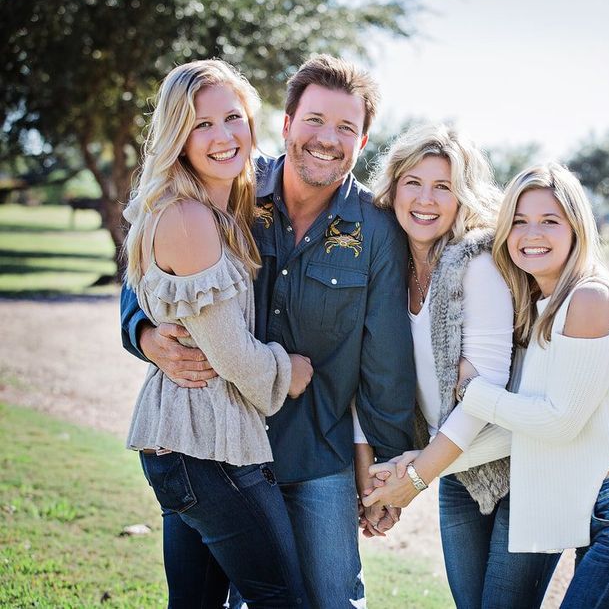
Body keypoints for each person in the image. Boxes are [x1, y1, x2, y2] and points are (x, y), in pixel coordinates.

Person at [120, 54, 416, 608]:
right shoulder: (229, 185)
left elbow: (387, 363)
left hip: (316, 452)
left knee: (331, 600)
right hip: (221, 444)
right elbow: (148, 269)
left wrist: (384, 471)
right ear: (285, 124)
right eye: (315, 121)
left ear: (364, 139)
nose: (327, 139)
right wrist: (141, 332)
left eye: (346, 128)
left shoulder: (376, 229)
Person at [455, 162, 609, 609]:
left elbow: (557, 422)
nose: (532, 233)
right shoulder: (546, 307)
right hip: (605, 514)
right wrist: (416, 468)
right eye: (518, 221)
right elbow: (529, 424)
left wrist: (473, 391)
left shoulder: (590, 298)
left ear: (576, 228)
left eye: (549, 221)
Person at [122, 59, 310, 607]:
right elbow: (233, 356)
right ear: (177, 136)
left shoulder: (220, 201)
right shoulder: (188, 217)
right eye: (202, 124)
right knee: (283, 600)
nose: (223, 136)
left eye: (233, 118)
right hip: (208, 451)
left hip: (185, 443)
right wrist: (290, 372)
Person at [358, 124, 559, 608]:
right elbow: (361, 372)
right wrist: (374, 482)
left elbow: (483, 390)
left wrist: (414, 480)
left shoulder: (477, 263)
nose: (426, 199)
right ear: (393, 188)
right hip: (460, 470)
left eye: (443, 186)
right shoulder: (387, 265)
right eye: (413, 182)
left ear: (462, 195)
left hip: (523, 468)